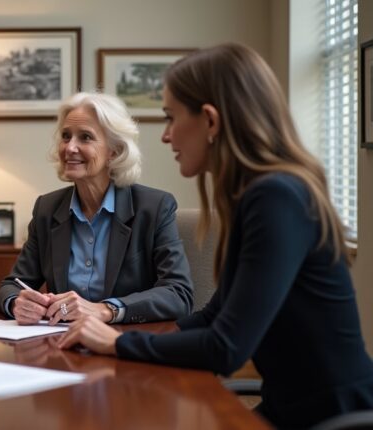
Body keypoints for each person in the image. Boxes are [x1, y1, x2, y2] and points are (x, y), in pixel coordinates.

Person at [58, 43, 373, 428]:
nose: (166, 136)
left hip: (334, 419)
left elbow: (225, 348)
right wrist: (119, 329)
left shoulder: (276, 197)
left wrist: (116, 342)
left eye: (171, 118)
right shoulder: (258, 194)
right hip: (294, 409)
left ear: (210, 121)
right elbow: (214, 315)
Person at [0, 91, 194, 326]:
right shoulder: (46, 209)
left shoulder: (154, 207)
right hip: (61, 344)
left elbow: (178, 294)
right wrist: (17, 302)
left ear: (114, 151)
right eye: (66, 136)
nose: (70, 148)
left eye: (85, 137)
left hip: (127, 345)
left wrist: (106, 310)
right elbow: (10, 286)